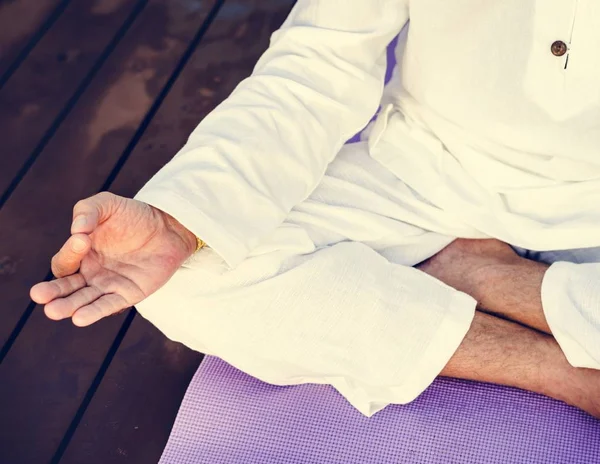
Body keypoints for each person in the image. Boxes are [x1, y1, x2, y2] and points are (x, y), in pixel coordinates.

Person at [30, 1, 600, 419]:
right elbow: (318, 63)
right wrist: (181, 220)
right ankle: (562, 372)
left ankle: (496, 280)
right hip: (425, 175)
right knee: (181, 274)